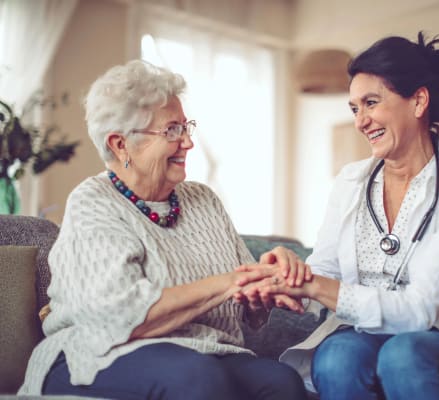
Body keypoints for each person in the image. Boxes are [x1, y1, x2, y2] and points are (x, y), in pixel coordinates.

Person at [237, 32, 439, 400]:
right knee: (335, 356)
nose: (361, 121)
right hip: (361, 334)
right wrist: (285, 276)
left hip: (435, 339)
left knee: (403, 354)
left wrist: (316, 287)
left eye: (371, 103)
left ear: (418, 101)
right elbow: (324, 274)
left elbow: (419, 311)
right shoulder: (351, 181)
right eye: (354, 108)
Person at [18, 60, 309, 400]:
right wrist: (230, 282)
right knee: (195, 378)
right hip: (97, 353)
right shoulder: (94, 202)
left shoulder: (203, 200)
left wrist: (266, 285)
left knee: (281, 383)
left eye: (186, 127)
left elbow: (243, 300)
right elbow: (124, 319)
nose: (188, 142)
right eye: (172, 130)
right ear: (120, 144)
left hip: (203, 351)